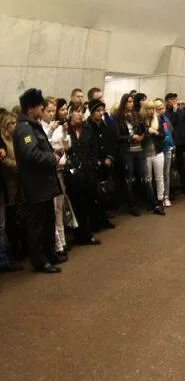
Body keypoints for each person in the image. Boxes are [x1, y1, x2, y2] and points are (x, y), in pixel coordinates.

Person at [13, 89, 64, 273]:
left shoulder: (32, 125)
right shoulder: (24, 129)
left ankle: (50, 254)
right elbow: (30, 154)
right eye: (40, 106)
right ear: (31, 108)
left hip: (44, 183)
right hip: (35, 185)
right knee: (37, 225)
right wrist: (51, 158)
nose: (42, 109)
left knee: (48, 221)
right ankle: (40, 261)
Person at [113, 93, 164, 216]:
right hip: (127, 152)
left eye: (131, 101)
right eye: (128, 102)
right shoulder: (118, 118)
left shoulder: (137, 115)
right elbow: (117, 136)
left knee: (146, 178)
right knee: (129, 179)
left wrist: (142, 135)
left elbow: (144, 129)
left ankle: (154, 204)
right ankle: (132, 205)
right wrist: (131, 137)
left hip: (139, 150)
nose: (130, 104)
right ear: (123, 103)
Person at [64, 102, 101, 245]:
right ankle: (77, 234)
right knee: (75, 205)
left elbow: (93, 148)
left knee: (87, 204)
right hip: (72, 173)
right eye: (77, 111)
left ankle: (87, 234)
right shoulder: (65, 129)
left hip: (88, 172)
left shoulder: (87, 128)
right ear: (71, 112)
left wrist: (93, 164)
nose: (80, 114)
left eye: (82, 111)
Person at [85, 99, 118, 228]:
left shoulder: (105, 126)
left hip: (106, 162)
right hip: (95, 163)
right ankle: (95, 221)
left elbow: (111, 142)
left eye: (102, 110)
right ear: (92, 112)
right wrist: (96, 161)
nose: (100, 113)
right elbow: (88, 146)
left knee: (105, 192)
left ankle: (104, 219)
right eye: (97, 111)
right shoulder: (88, 127)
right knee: (95, 194)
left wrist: (110, 157)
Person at [0, 112, 24, 271]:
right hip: (9, 182)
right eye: (12, 123)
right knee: (7, 222)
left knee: (6, 223)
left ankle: (8, 257)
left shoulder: (17, 139)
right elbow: (5, 160)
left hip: (16, 183)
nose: (16, 126)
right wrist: (19, 166)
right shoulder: (3, 141)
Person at [50, 99, 71, 254]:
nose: (64, 112)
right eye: (49, 110)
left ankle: (62, 241)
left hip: (61, 170)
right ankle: (58, 244)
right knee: (53, 209)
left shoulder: (62, 127)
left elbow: (66, 145)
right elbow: (50, 146)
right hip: (51, 172)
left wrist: (64, 132)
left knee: (59, 208)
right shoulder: (47, 128)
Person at [140, 100, 166, 211]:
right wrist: (147, 131)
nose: (151, 111)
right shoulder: (140, 121)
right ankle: (151, 200)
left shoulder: (158, 120)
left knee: (160, 177)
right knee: (148, 179)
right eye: (148, 109)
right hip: (145, 154)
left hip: (158, 152)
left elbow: (163, 136)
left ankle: (161, 199)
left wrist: (155, 132)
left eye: (152, 109)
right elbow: (138, 135)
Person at [165, 93, 185, 195]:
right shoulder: (166, 113)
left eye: (175, 99)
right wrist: (174, 112)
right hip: (173, 143)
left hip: (182, 142)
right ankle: (171, 189)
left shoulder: (181, 111)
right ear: (167, 101)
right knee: (171, 167)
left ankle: (184, 186)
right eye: (171, 99)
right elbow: (171, 125)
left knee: (183, 165)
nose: (174, 101)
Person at [155, 99, 174, 206]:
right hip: (158, 150)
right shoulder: (153, 120)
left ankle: (166, 196)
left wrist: (172, 146)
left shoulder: (165, 118)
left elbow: (170, 133)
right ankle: (160, 196)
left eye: (162, 108)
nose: (161, 111)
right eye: (159, 109)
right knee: (159, 176)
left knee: (166, 174)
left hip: (167, 149)